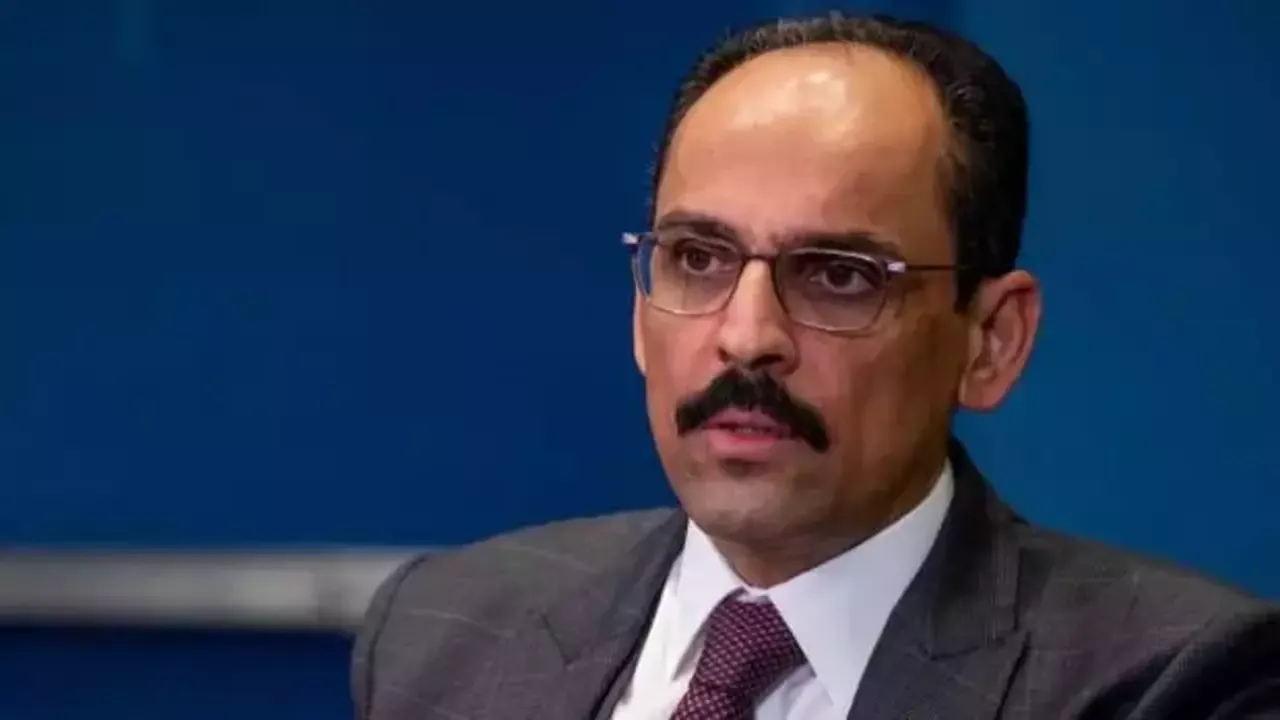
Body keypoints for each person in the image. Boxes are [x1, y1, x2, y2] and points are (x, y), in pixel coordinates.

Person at [351, 13, 1279, 720]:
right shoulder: (444, 634)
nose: (746, 335)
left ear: (990, 340)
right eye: (698, 259)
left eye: (839, 275)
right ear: (640, 313)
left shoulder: (1175, 684)